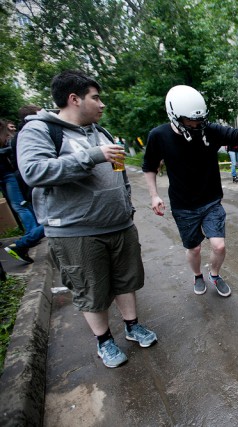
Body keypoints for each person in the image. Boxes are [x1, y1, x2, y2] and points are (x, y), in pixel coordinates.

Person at [17, 69, 156, 368]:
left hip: (119, 224)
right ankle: (104, 341)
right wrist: (92, 156)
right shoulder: (40, 130)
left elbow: (118, 173)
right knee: (90, 288)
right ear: (74, 99)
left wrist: (126, 203)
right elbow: (34, 172)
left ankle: (132, 326)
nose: (102, 104)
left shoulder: (100, 131)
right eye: (96, 98)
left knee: (126, 280)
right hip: (75, 231)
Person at [142, 85, 238, 297]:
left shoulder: (208, 130)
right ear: (175, 116)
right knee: (194, 249)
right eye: (191, 121)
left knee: (218, 247)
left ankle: (214, 274)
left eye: (200, 120)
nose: (196, 124)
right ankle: (197, 276)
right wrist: (154, 195)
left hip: (211, 200)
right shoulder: (158, 136)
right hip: (183, 205)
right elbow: (149, 166)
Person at [0, 118, 45, 264]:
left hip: (13, 177)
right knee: (60, 219)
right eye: (5, 132)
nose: (8, 135)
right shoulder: (29, 135)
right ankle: (25, 241)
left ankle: (25, 240)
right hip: (19, 178)